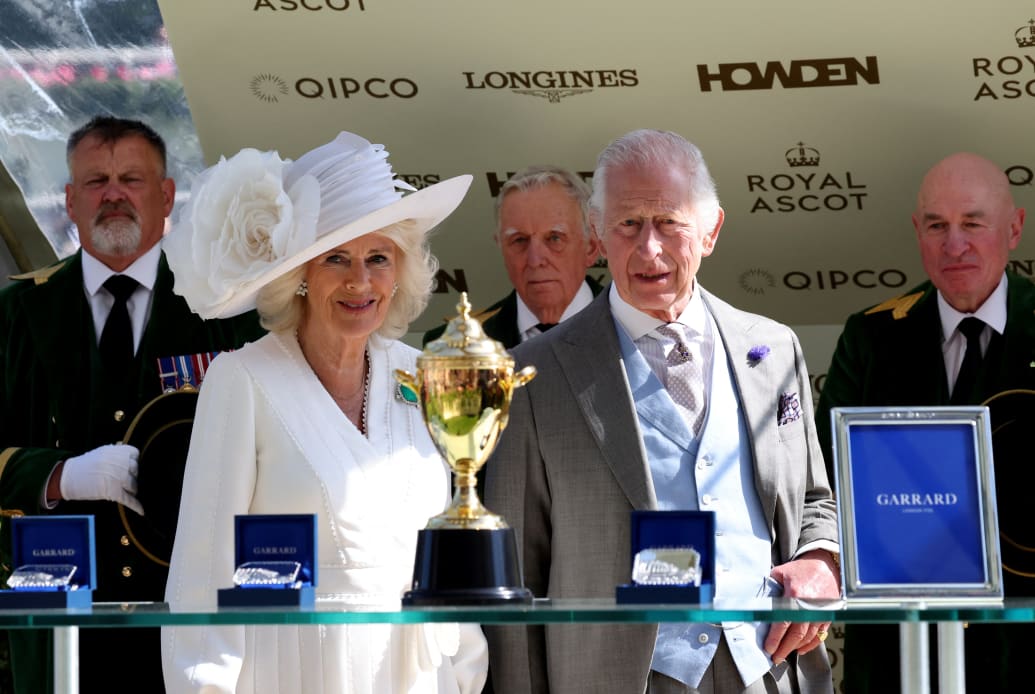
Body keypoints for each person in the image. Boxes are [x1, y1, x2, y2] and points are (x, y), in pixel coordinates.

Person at [484, 129, 840, 694]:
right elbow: (515, 574)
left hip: (766, 666)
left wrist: (822, 559)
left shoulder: (772, 349)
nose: (649, 249)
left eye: (669, 222)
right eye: (628, 224)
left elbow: (816, 500)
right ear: (598, 234)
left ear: (710, 231)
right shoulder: (534, 375)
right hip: (617, 677)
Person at [160, 131, 488, 694]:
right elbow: (203, 571)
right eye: (336, 257)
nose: (359, 280)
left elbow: (451, 552)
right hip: (292, 671)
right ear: (301, 276)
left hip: (418, 676)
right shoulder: (242, 380)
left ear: (400, 272)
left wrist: (465, 675)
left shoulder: (422, 373)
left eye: (378, 258)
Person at [0, 116, 264, 694]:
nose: (113, 194)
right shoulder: (18, 314)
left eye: (131, 179)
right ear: (69, 201)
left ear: (166, 196)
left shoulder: (223, 310)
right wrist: (58, 475)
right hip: (57, 629)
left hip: (189, 624)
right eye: (96, 182)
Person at [815, 152, 1032, 693]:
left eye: (973, 224)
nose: (954, 245)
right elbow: (823, 485)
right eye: (937, 226)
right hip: (901, 653)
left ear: (1014, 229)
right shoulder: (870, 338)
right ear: (918, 231)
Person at [423, 165, 602, 347]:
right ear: (501, 245)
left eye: (554, 238)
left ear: (591, 248)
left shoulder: (629, 326)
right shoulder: (450, 346)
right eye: (519, 240)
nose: (535, 260)